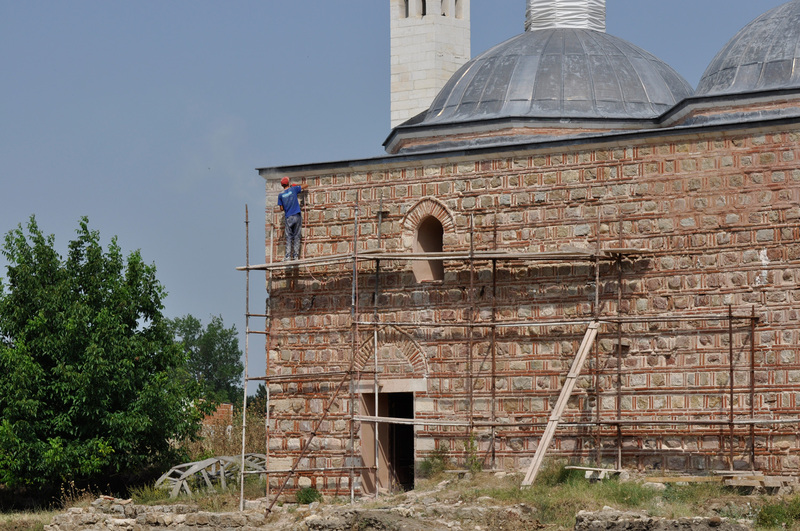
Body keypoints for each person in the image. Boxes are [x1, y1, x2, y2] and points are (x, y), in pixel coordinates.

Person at [277, 176, 308, 261]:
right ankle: (295, 256)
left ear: (282, 185)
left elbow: (281, 208)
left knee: (289, 237)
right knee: (297, 235)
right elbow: (306, 185)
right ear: (288, 183)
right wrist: (295, 185)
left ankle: (287, 256)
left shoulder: (280, 195)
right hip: (297, 215)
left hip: (288, 217)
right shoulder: (293, 189)